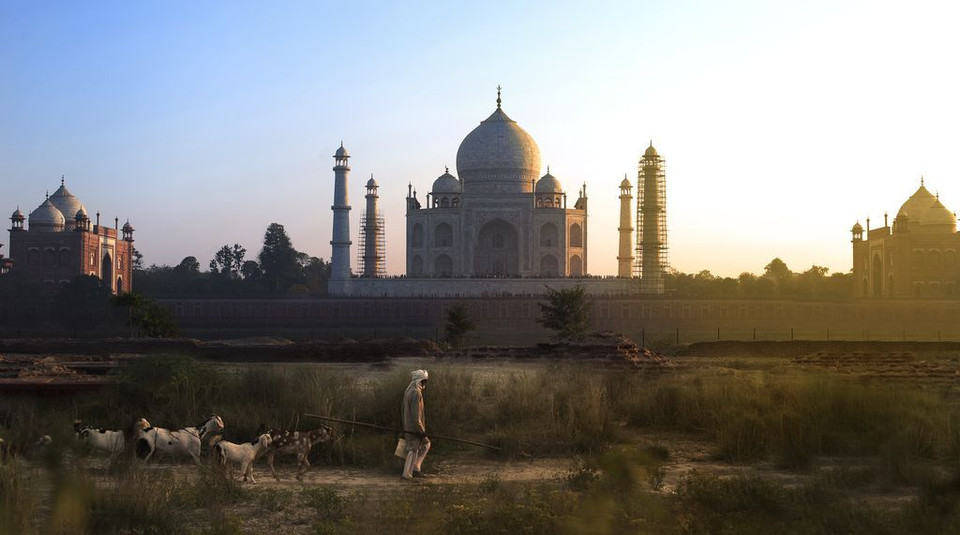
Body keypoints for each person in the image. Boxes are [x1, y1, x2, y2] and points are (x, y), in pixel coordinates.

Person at [401, 369, 431, 479]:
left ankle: (414, 469)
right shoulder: (416, 392)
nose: (425, 384)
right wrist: (422, 431)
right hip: (414, 427)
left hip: (408, 425)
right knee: (419, 447)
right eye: (424, 381)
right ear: (420, 381)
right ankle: (407, 474)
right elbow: (416, 416)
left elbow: (403, 410)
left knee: (414, 448)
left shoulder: (408, 390)